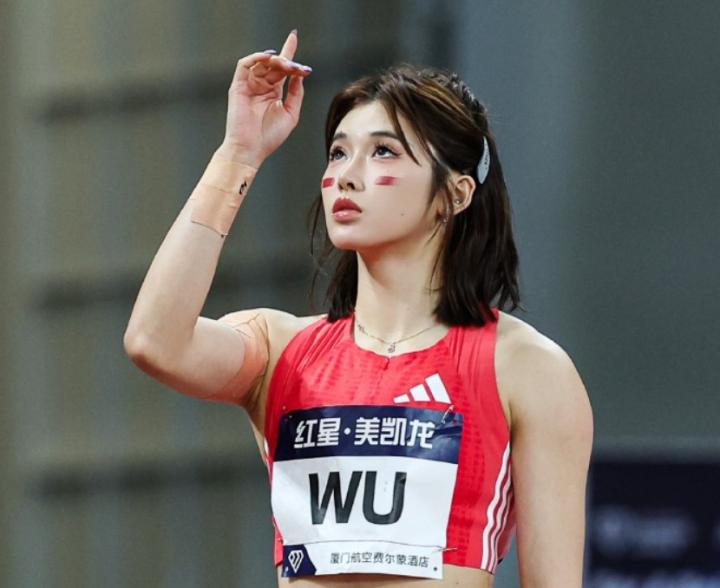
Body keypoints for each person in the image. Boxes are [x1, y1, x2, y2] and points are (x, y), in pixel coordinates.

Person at [124, 29, 593, 588]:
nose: (346, 174)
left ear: (456, 193)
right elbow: (154, 342)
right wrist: (238, 153)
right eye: (339, 152)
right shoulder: (281, 350)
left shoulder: (526, 368)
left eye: (383, 151)